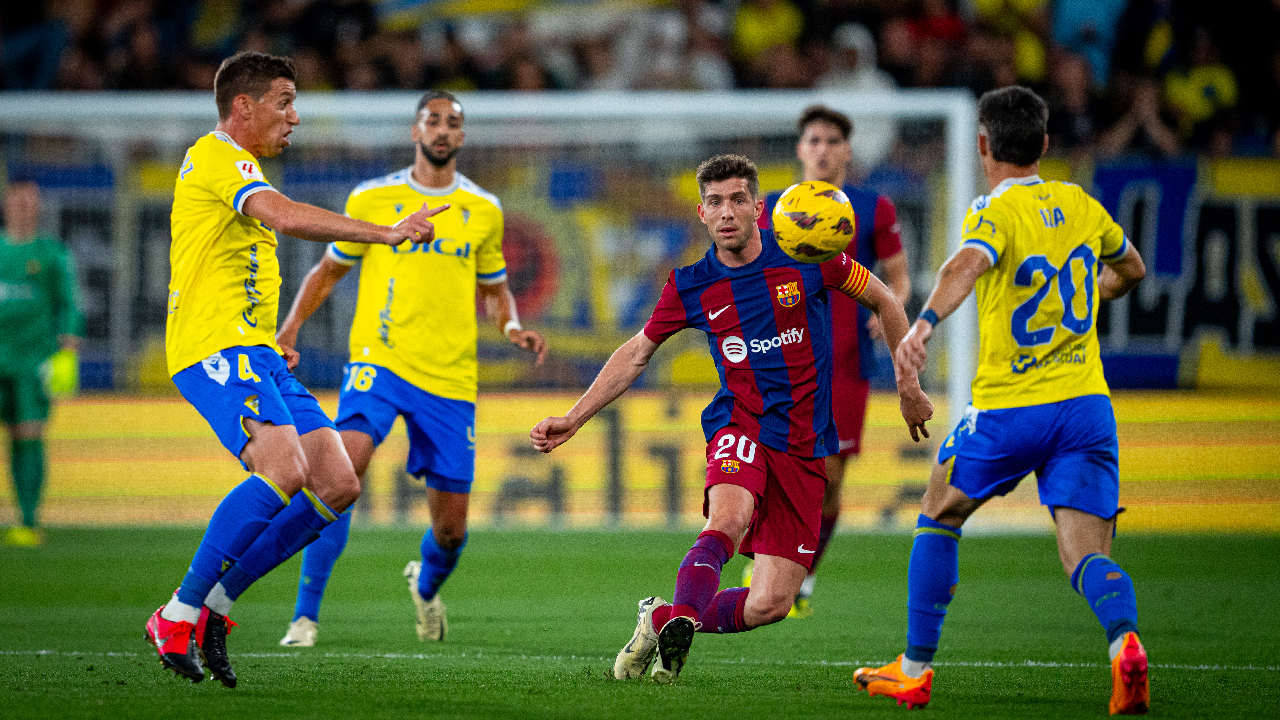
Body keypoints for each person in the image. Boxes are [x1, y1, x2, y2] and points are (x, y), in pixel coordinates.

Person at [531, 154, 933, 683]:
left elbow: (885, 300)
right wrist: (576, 417)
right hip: (739, 423)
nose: (727, 212)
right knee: (726, 519)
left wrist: (908, 386)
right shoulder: (690, 284)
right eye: (715, 202)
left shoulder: (809, 256)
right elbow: (636, 353)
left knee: (772, 603)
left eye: (738, 199)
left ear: (758, 208)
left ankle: (661, 618)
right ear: (701, 212)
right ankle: (678, 639)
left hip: (804, 444)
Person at [145, 51, 445, 687]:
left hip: (254, 349)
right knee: (283, 470)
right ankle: (176, 613)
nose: (295, 117)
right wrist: (386, 233)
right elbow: (281, 214)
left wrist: (277, 334)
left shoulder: (239, 166)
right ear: (243, 107)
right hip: (212, 347)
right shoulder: (215, 154)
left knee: (337, 483)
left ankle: (218, 610)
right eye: (284, 102)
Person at [853, 86, 1150, 715]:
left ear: (983, 145)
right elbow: (1133, 271)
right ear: (1044, 144)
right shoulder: (1080, 204)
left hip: (1013, 408)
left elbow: (966, 264)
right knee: (1085, 554)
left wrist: (925, 323)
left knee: (939, 512)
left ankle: (912, 670)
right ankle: (1125, 644)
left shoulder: (992, 211)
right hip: (1087, 407)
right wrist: (1092, 292)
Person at [274, 90, 548, 648]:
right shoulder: (374, 199)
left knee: (450, 529)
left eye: (452, 123)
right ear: (414, 131)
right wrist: (290, 327)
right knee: (341, 472)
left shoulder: (485, 211)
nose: (442, 130)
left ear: (462, 137)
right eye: (432, 120)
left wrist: (512, 326)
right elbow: (327, 272)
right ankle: (305, 616)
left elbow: (496, 292)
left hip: (448, 379)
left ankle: (425, 584)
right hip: (379, 360)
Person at [753, 105, 910, 618]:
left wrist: (888, 307)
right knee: (767, 465)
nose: (821, 149)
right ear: (800, 149)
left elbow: (899, 277)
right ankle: (766, 556)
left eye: (832, 140)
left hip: (844, 361)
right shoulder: (771, 207)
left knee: (831, 478)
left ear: (847, 149)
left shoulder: (872, 208)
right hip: (779, 358)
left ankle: (804, 577)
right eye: (813, 140)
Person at [0, 179, 83, 547]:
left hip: (33, 360)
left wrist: (67, 351)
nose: (24, 207)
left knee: (28, 435)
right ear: (6, 204)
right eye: (18, 201)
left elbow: (68, 304)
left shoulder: (51, 254)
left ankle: (28, 520)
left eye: (30, 202)